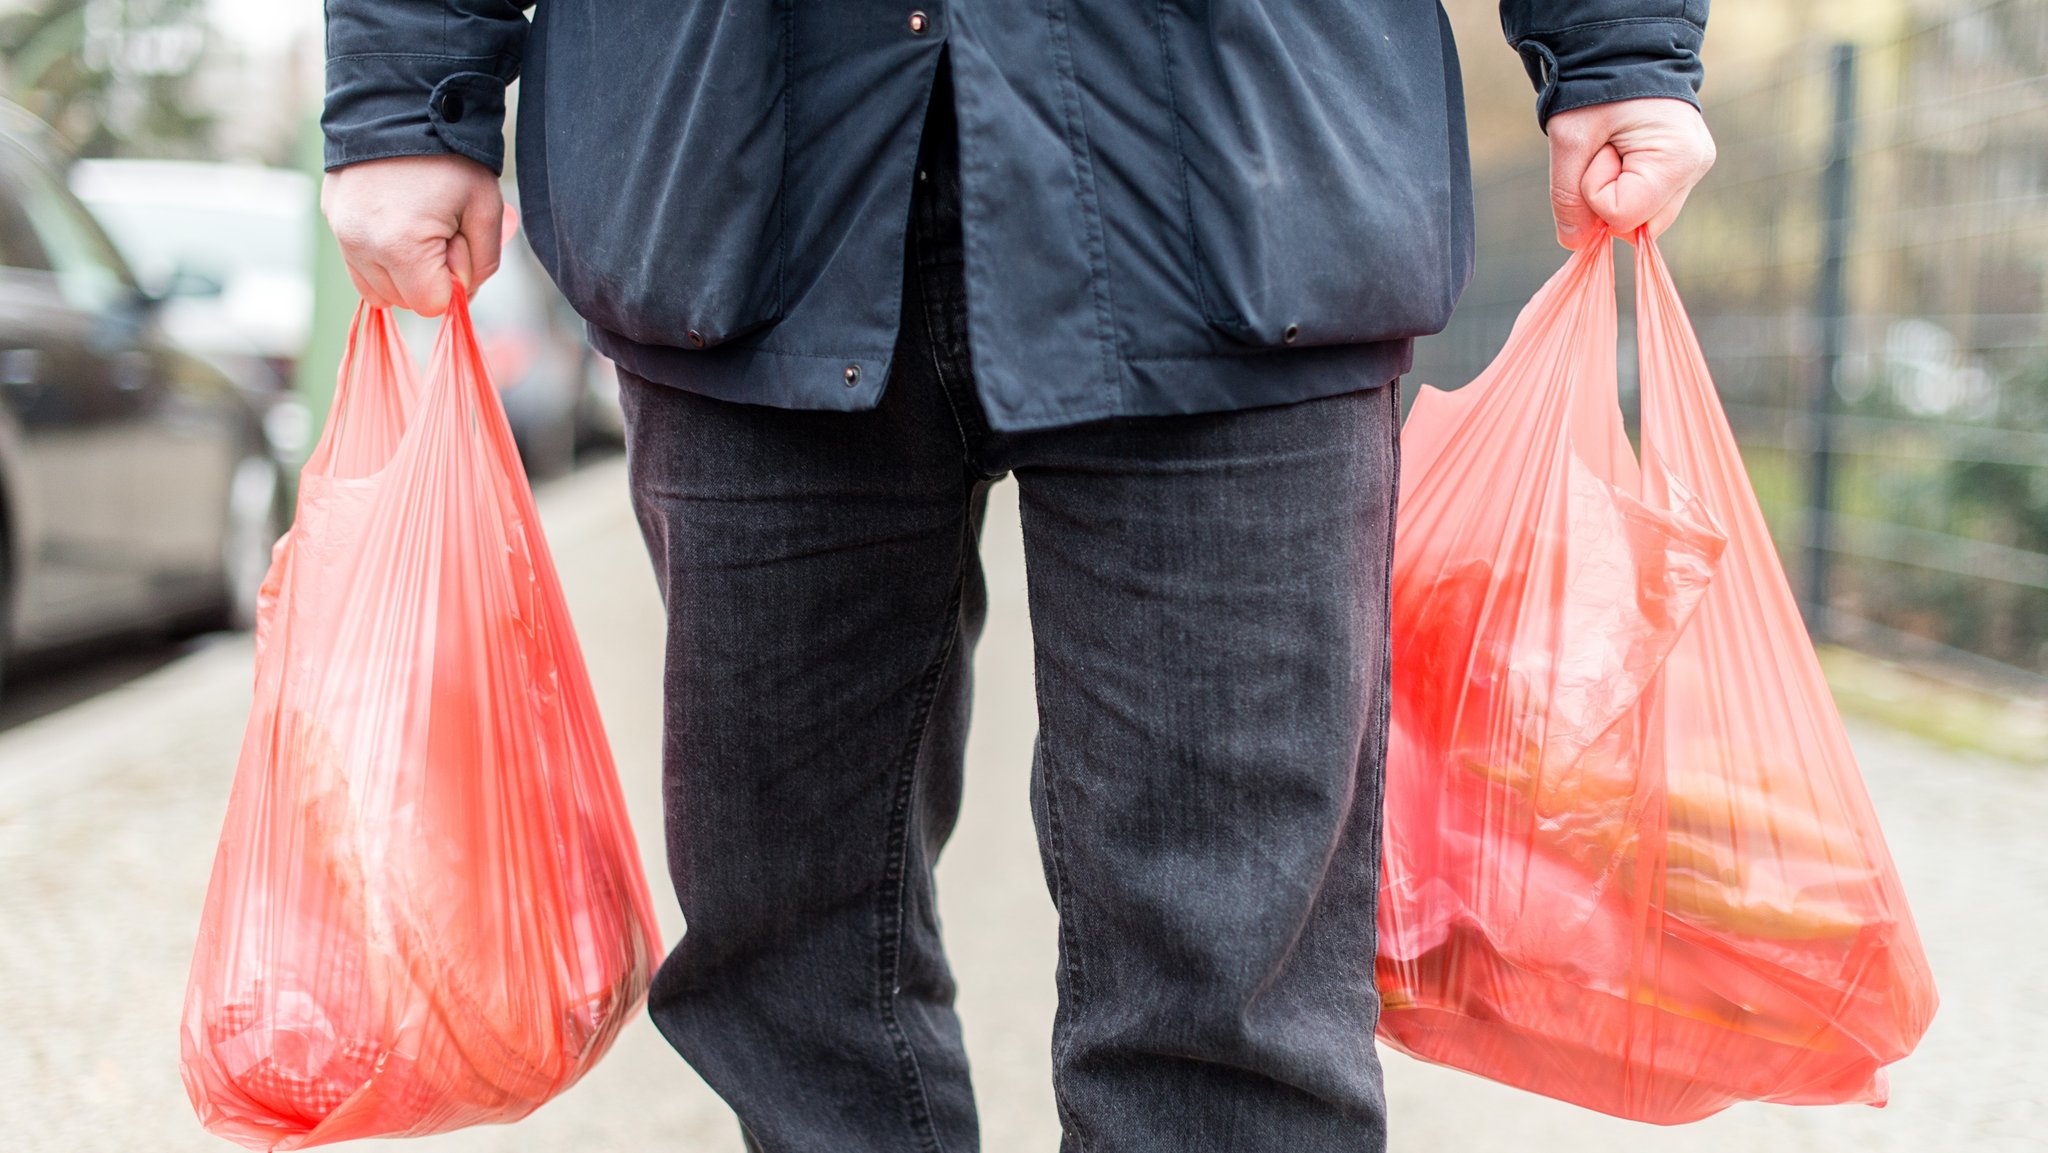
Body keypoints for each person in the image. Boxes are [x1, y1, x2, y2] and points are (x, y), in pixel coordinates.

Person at [319, 3, 1714, 1149]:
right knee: (788, 954)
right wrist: (402, 89)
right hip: (739, 157)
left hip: (1235, 160)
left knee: (1225, 989)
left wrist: (1618, 43)